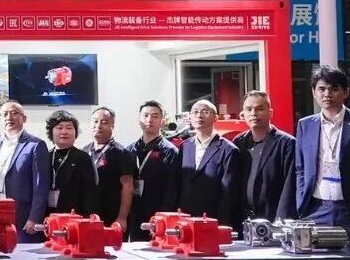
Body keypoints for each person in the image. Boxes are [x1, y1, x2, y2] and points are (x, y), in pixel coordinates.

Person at [279, 65, 350, 254]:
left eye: (334, 88)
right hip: (315, 209)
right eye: (321, 89)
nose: (327, 94)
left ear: (346, 92)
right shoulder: (306, 125)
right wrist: (302, 201)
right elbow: (300, 168)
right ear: (314, 92)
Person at [0, 100, 50, 243]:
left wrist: (34, 218)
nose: (9, 117)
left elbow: (41, 186)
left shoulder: (35, 145)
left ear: (24, 118)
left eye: (14, 113)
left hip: (22, 215)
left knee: (21, 254)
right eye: (5, 114)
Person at [177, 99, 241, 227]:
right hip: (186, 218)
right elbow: (178, 181)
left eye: (205, 112)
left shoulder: (228, 149)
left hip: (213, 218)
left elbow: (228, 192)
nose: (199, 115)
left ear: (216, 118)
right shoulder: (185, 146)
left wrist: (222, 224)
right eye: (195, 112)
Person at [233, 91, 296, 221]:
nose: (253, 113)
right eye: (249, 109)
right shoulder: (238, 142)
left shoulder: (287, 143)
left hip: (273, 219)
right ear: (243, 114)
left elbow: (290, 187)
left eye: (259, 109)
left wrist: (281, 221)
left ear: (270, 113)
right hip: (243, 220)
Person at [127, 100, 182, 241]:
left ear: (162, 121)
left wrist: (164, 216)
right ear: (139, 120)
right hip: (133, 210)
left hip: (158, 213)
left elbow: (172, 187)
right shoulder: (130, 150)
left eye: (155, 116)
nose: (149, 119)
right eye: (145, 115)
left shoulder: (170, 151)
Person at [83, 107, 135, 228]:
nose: (99, 126)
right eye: (95, 121)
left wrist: (122, 218)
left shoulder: (122, 153)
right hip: (88, 216)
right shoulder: (84, 151)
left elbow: (128, 187)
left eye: (104, 122)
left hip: (111, 216)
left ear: (113, 126)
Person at [45, 110, 97, 216]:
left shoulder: (83, 158)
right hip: (46, 215)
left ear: (75, 133)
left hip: (75, 217)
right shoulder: (45, 156)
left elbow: (90, 193)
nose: (64, 132)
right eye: (59, 128)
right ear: (51, 132)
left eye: (69, 128)